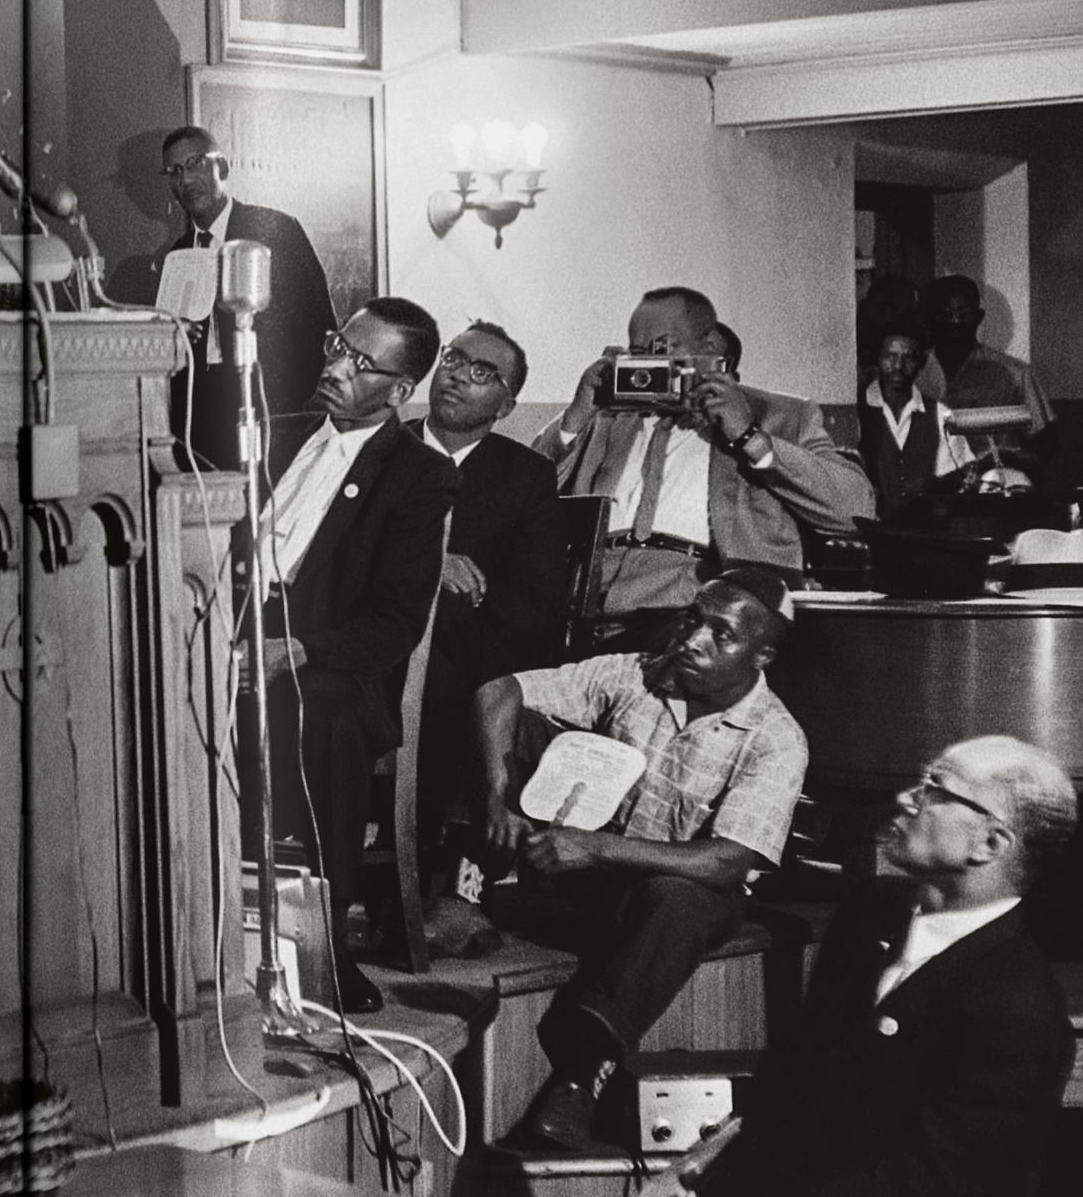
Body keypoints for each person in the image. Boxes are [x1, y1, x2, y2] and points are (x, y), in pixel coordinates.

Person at [493, 736, 1079, 1197]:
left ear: (989, 842)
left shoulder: (1017, 1005)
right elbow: (799, 1070)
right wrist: (716, 1152)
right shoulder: (875, 911)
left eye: (933, 790)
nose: (906, 799)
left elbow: (922, 1193)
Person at [474, 568, 808, 1149]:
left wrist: (597, 846)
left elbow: (728, 861)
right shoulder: (637, 674)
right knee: (512, 728)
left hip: (669, 899)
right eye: (693, 619)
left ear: (763, 655)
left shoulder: (776, 738)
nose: (693, 640)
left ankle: (581, 1077)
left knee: (680, 899)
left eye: (721, 635)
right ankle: (467, 892)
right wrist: (499, 794)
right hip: (580, 882)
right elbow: (498, 690)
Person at [255, 297, 455, 1014]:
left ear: (399, 392)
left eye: (360, 362)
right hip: (232, 627)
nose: (335, 365)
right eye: (339, 346)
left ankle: (325, 945)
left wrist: (299, 649)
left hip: (325, 661)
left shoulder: (419, 477)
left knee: (328, 716)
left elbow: (397, 620)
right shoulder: (276, 437)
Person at [532, 286, 871, 653]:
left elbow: (854, 511)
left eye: (662, 349)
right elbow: (525, 492)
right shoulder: (608, 416)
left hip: (701, 610)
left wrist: (750, 437)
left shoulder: (781, 415)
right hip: (586, 604)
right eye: (637, 352)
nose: (649, 364)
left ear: (709, 347)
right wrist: (575, 416)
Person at [400, 321, 566, 959]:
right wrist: (427, 565)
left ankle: (449, 884)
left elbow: (537, 603)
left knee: (458, 678)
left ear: (506, 405)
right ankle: (424, 887)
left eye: (481, 372)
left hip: (473, 654)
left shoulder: (524, 477)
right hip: (380, 644)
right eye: (453, 359)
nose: (456, 376)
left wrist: (459, 601)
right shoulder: (381, 451)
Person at [160, 124, 337, 472]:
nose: (185, 179)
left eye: (195, 163)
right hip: (199, 428)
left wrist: (291, 406)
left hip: (272, 416)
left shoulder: (275, 230)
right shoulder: (179, 254)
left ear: (222, 168)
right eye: (175, 171)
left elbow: (320, 325)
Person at [859, 327, 976, 521]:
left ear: (920, 363)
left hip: (926, 535)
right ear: (878, 359)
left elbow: (955, 480)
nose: (898, 366)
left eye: (908, 358)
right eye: (890, 356)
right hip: (871, 534)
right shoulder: (859, 409)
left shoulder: (940, 415)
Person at [919, 273, 1056, 433]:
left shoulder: (1017, 375)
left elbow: (1044, 440)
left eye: (964, 314)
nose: (955, 321)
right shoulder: (912, 371)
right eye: (945, 313)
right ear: (931, 319)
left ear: (979, 317)